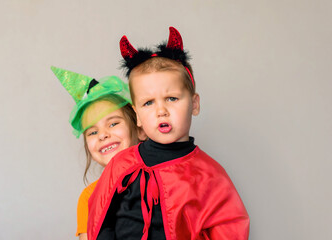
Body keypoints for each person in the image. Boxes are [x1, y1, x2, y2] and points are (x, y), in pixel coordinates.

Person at [87, 27, 250, 240]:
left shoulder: (210, 177)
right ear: (137, 116)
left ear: (194, 104)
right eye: (148, 103)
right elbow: (100, 222)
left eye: (172, 98)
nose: (161, 111)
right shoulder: (121, 165)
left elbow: (229, 229)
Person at [51, 66, 145, 240]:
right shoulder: (89, 198)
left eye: (113, 123)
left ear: (140, 129)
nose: (103, 135)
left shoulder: (161, 179)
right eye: (92, 132)